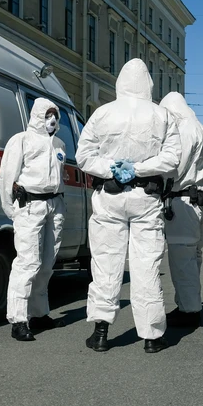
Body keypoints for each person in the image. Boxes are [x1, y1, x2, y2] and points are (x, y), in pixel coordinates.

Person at [76, 59, 182, 353]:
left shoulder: (103, 113)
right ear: (148, 83)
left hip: (110, 196)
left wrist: (114, 169)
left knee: (106, 263)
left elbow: (83, 157)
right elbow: (172, 159)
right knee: (146, 264)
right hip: (145, 197)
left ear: (120, 82)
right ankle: (151, 336)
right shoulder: (162, 115)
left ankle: (100, 332)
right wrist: (139, 169)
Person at [0, 98, 67, 342]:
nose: (52, 119)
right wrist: (12, 209)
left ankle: (39, 313)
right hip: (30, 205)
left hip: (54, 205)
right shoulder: (21, 140)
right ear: (37, 115)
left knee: (47, 262)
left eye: (55, 115)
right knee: (27, 261)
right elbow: (6, 176)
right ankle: (18, 319)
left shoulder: (59, 143)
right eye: (48, 114)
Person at [159, 92, 203, 329]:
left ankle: (189, 310)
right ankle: (186, 303)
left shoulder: (184, 130)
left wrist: (160, 185)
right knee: (194, 256)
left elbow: (175, 167)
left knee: (182, 257)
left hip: (184, 201)